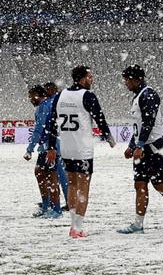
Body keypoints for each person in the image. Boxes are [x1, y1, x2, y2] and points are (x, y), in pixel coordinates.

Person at [116, 65, 163, 234]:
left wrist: (140, 145)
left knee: (159, 184)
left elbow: (148, 123)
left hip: (155, 147)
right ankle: (138, 224)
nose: (125, 83)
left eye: (127, 80)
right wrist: (132, 145)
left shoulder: (149, 94)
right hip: (144, 147)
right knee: (140, 184)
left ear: (136, 79)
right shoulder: (138, 96)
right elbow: (138, 126)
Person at [43, 66, 117, 238]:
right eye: (90, 77)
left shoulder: (60, 95)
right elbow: (100, 118)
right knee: (83, 187)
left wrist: (51, 146)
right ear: (82, 78)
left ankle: (72, 224)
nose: (92, 79)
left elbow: (52, 122)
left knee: (72, 185)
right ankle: (78, 227)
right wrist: (109, 137)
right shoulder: (87, 96)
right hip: (82, 148)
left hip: (67, 147)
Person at [24, 85, 64, 218]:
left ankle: (56, 209)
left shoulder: (44, 106)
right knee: (40, 173)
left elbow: (39, 129)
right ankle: (47, 206)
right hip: (48, 145)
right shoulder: (48, 104)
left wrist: (30, 149)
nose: (30, 99)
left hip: (50, 146)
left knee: (51, 176)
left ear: (38, 95)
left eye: (31, 97)